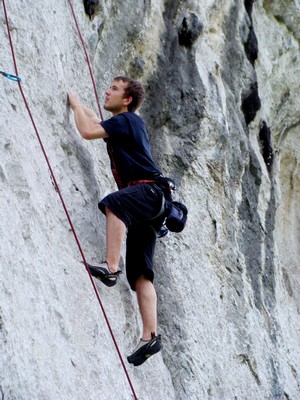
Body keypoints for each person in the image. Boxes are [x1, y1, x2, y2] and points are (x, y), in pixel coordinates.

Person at [68, 76, 172, 366]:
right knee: (141, 274)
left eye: (114, 89)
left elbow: (88, 131)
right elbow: (95, 120)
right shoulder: (125, 124)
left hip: (147, 191)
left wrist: (75, 104)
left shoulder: (126, 121)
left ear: (127, 100)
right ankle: (150, 335)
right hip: (155, 202)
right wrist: (83, 108)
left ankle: (110, 267)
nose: (107, 91)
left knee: (114, 203)